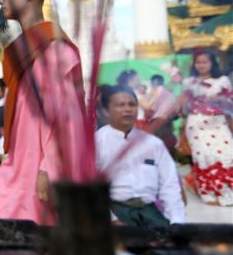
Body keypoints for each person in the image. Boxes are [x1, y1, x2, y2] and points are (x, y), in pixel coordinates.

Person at [0, 0, 85, 225]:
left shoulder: (55, 48)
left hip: (42, 166)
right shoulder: (22, 49)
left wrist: (49, 169)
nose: (0, 1)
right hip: (18, 161)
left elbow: (66, 118)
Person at [96, 86, 184, 226]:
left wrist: (177, 221)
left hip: (148, 211)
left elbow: (170, 186)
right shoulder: (97, 142)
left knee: (171, 244)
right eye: (120, 105)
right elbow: (91, 189)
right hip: (114, 211)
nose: (128, 109)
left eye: (132, 104)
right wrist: (112, 219)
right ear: (106, 111)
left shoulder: (152, 143)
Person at [181, 50, 232, 206]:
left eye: (205, 62)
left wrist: (220, 100)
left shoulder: (222, 81)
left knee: (226, 155)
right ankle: (207, 192)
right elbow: (184, 107)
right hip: (196, 123)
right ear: (194, 64)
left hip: (218, 122)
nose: (201, 65)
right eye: (198, 62)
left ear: (212, 63)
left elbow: (230, 103)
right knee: (204, 157)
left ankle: (226, 192)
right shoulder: (189, 82)